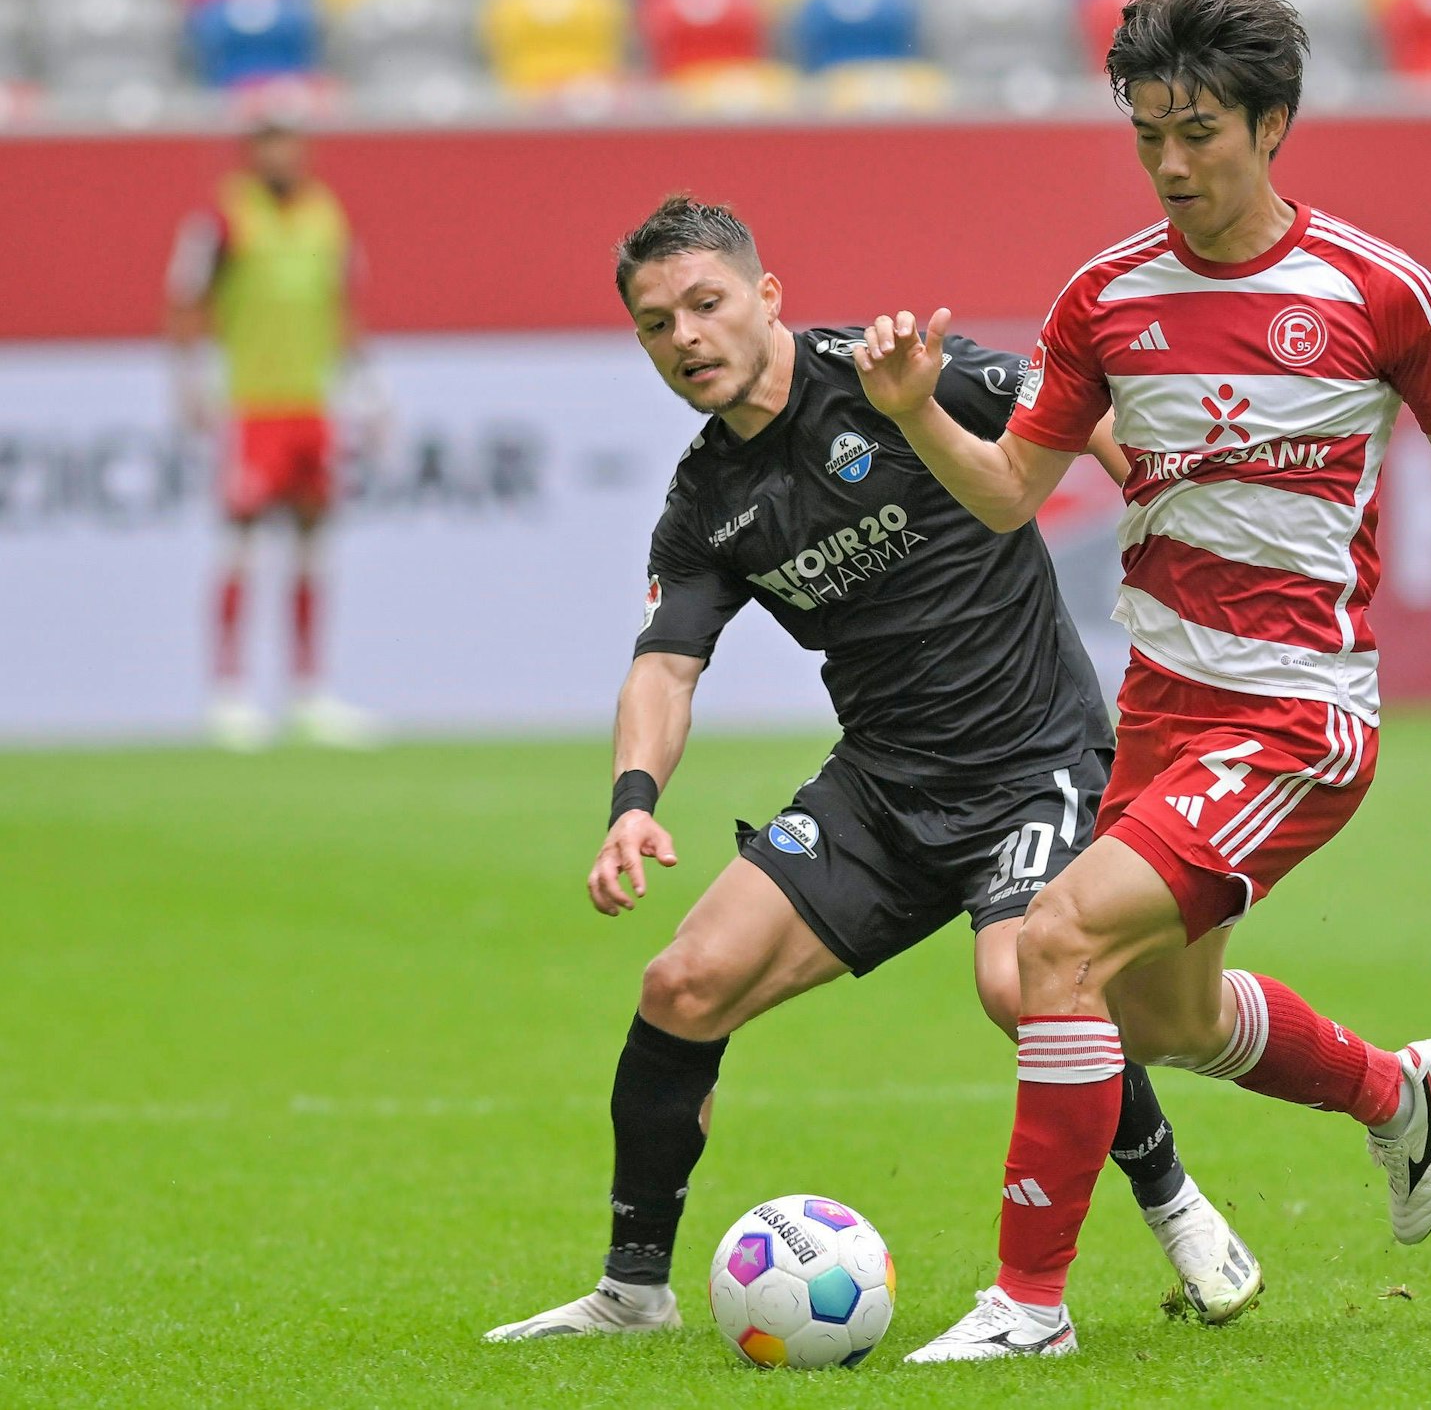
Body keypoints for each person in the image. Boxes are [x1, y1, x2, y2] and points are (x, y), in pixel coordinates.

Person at [849, 0, 1431, 1364]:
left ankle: (1029, 1307)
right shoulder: (1104, 299)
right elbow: (1008, 494)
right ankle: (1393, 1094)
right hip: (1165, 713)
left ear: (1272, 124)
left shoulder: (1378, 290)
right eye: (1148, 136)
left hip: (1297, 714)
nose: (1171, 165)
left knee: (1051, 945)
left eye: (1200, 134)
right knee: (1155, 1014)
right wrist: (915, 411)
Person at [482, 194, 1261, 1343]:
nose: (685, 336)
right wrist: (630, 806)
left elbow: (1073, 408)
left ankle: (1175, 1205)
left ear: (766, 297)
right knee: (681, 985)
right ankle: (632, 1293)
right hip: (885, 786)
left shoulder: (891, 375)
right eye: (655, 324)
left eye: (704, 303)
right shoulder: (706, 502)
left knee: (1022, 982)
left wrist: (1168, 520)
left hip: (1034, 758)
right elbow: (664, 668)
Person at [165, 116, 388, 751]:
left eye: (290, 145)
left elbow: (342, 305)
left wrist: (367, 387)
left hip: (312, 402)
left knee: (313, 542)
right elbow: (186, 298)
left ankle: (308, 693)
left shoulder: (327, 216)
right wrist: (190, 379)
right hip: (251, 402)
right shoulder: (222, 219)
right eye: (269, 146)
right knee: (241, 540)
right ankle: (228, 692)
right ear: (251, 154)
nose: (281, 157)